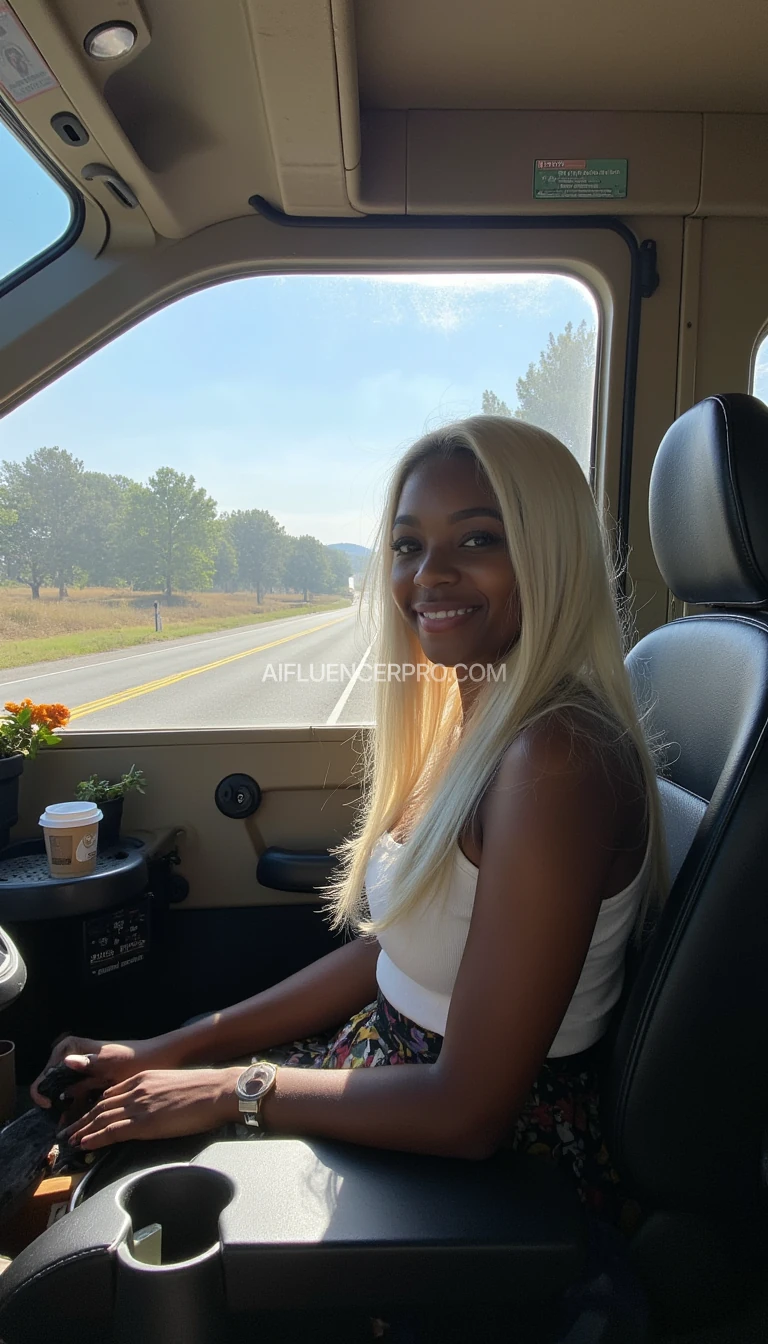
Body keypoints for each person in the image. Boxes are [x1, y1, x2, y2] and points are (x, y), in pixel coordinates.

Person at [32, 416, 668, 1230]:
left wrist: (227, 1086)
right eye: (407, 546)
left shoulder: (556, 759)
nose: (427, 576)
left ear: (550, 554)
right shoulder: (475, 721)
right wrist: (174, 1048)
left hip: (500, 1162)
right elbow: (391, 956)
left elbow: (469, 1114)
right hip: (394, 1067)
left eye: (477, 539)